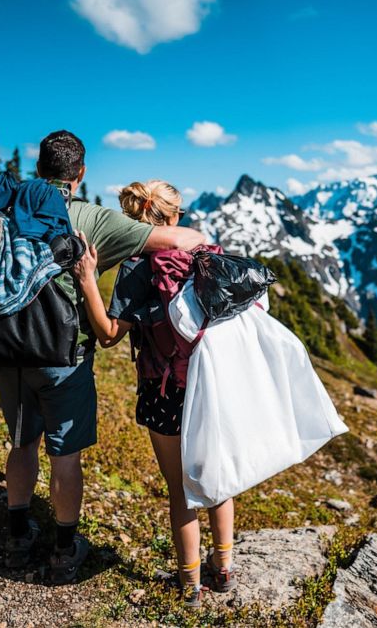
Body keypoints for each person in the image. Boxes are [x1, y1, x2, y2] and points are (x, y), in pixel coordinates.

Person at [0, 133, 205, 584]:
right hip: (61, 354)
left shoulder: (8, 206)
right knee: (64, 455)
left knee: (21, 443)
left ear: (39, 166)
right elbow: (185, 239)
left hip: (5, 347)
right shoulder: (90, 217)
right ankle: (64, 549)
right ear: (80, 172)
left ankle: (16, 538)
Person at [72, 179, 235, 607]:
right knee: (216, 479)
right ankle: (225, 568)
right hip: (211, 384)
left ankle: (190, 585)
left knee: (180, 489)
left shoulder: (135, 267)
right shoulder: (203, 257)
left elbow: (108, 334)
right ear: (172, 216)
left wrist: (88, 280)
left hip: (163, 390)